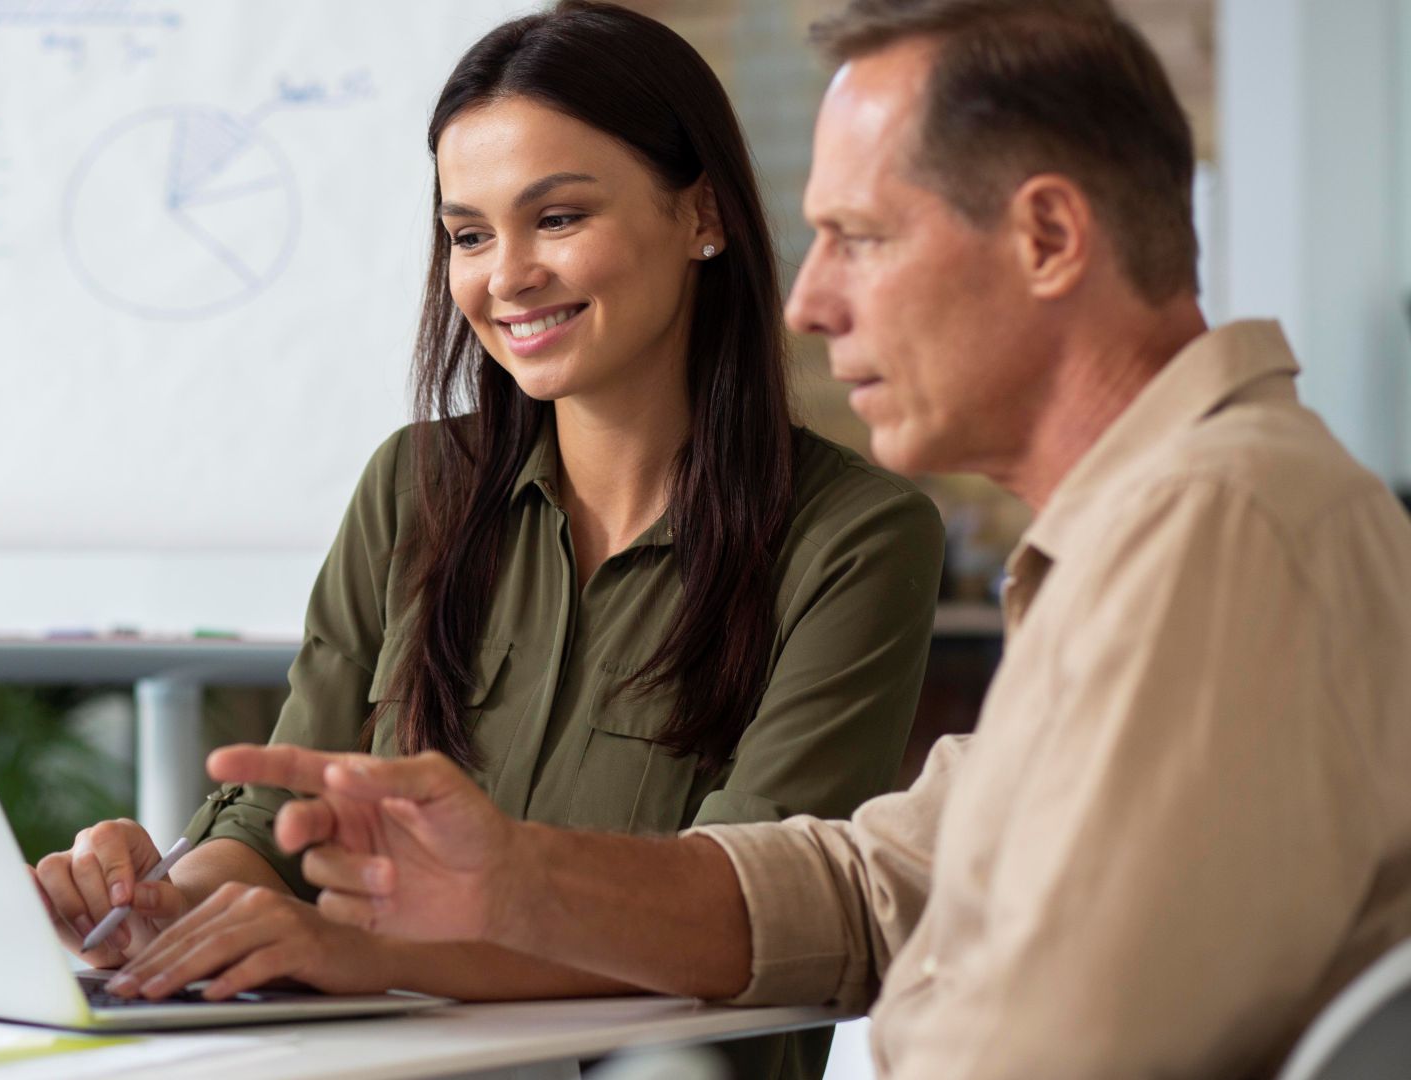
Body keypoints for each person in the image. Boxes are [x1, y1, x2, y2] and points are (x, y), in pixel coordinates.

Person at [196, 1, 1411, 1077]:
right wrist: (513, 884)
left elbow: (1058, 1047)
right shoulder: (1144, 531)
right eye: (467, 233)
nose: (811, 301)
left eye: (864, 237)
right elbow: (870, 886)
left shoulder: (1220, 525)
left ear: (1047, 239)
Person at [33, 4, 942, 1076]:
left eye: (556, 218)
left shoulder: (855, 541)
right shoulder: (413, 488)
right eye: (469, 234)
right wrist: (153, 913)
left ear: (701, 214)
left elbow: (741, 908)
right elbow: (281, 823)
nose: (505, 275)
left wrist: (363, 952)